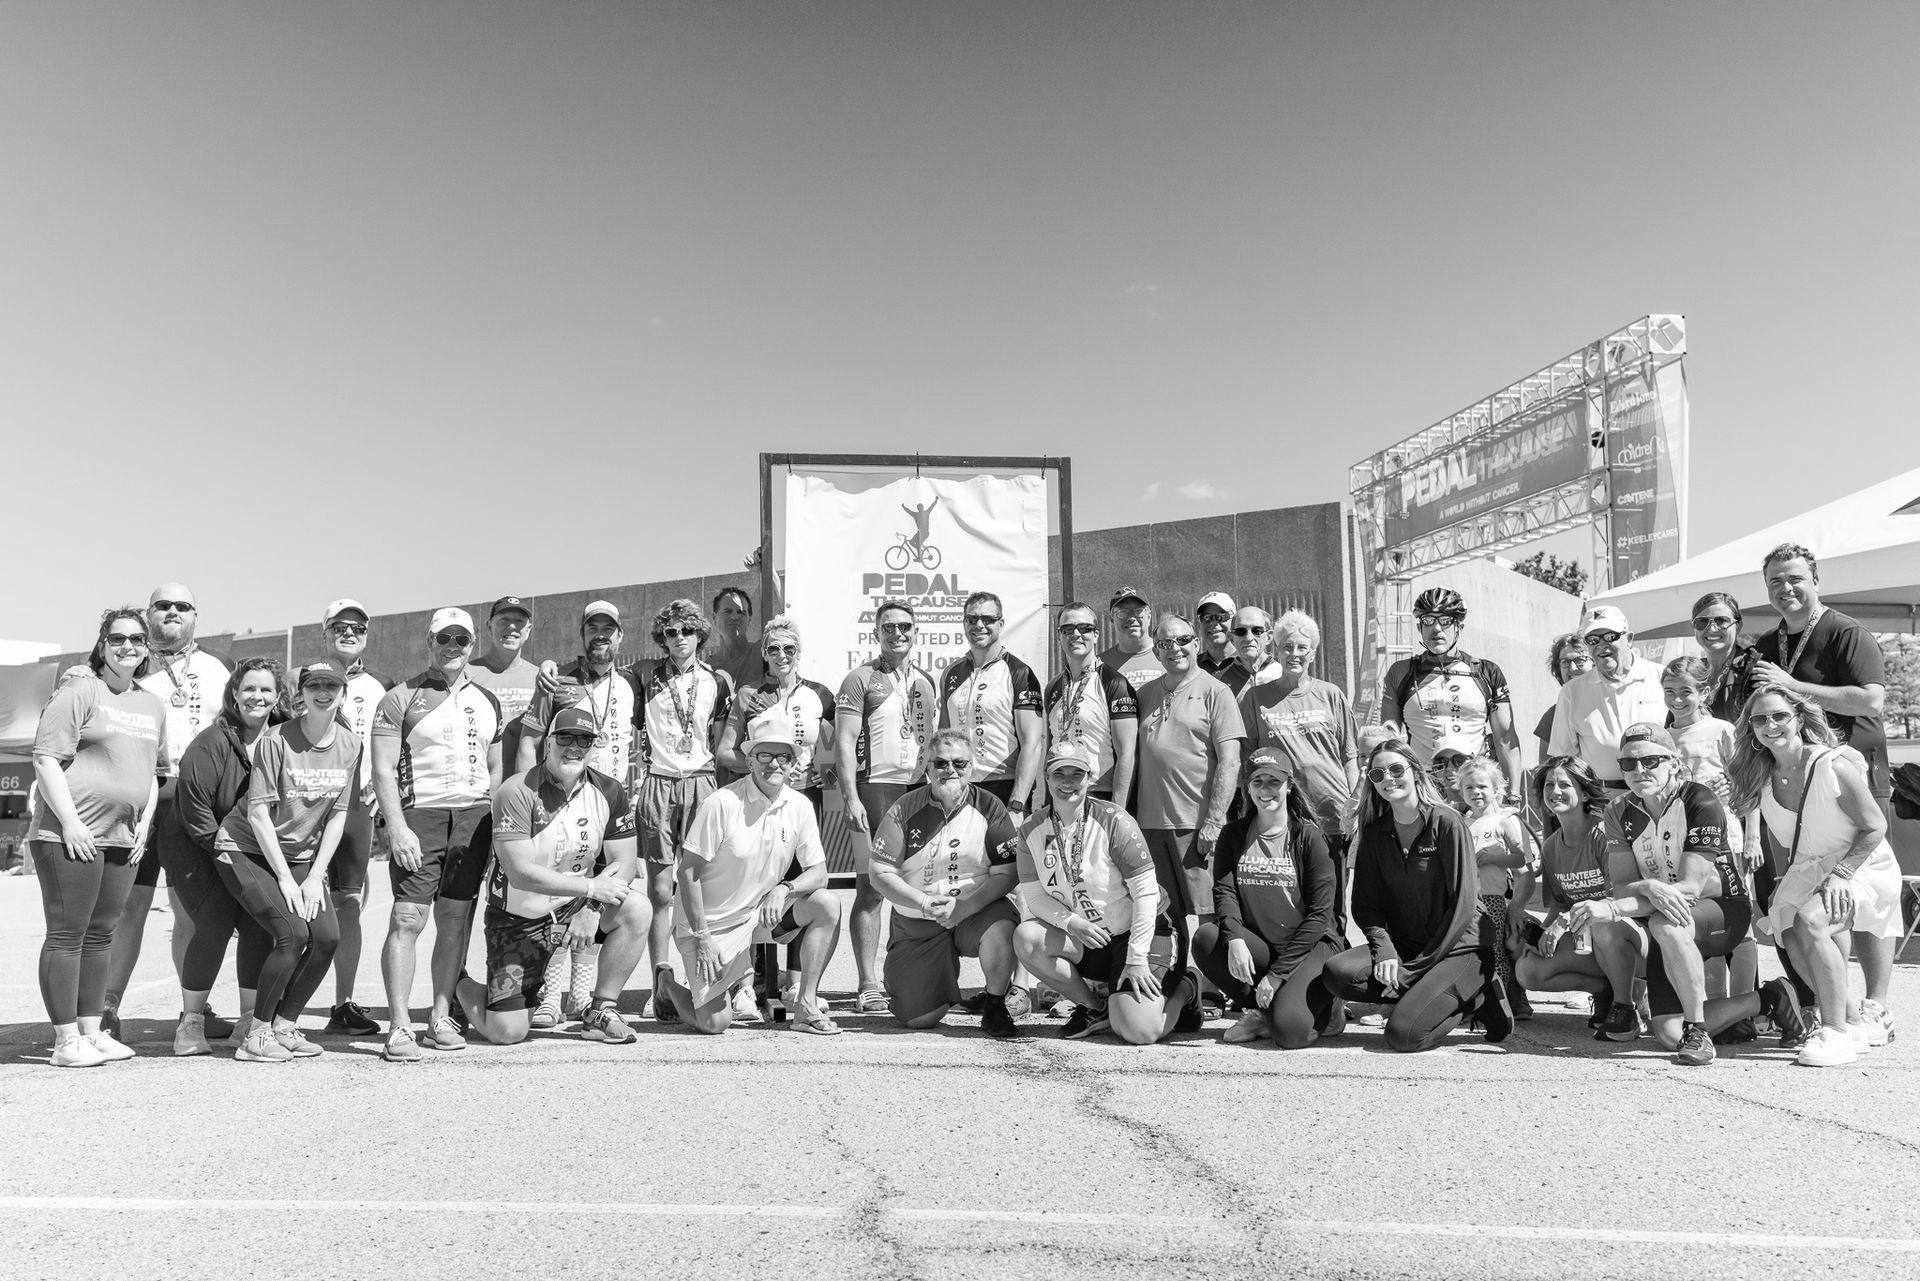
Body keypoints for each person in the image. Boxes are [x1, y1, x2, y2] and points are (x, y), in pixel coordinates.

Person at [1751, 542, 1896, 1047]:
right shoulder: (1767, 642)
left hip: (1852, 772)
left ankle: (1876, 1007)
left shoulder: (1845, 632)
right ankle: (1842, 1007)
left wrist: (1793, 685)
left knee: (1866, 891)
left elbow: (1871, 700)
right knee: (1811, 899)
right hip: (1794, 776)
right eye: (1775, 581)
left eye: (1794, 578)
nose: (1785, 588)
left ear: (1815, 579)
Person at [453, 706, 654, 1047]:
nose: (574, 747)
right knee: (508, 1032)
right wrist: (591, 888)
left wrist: (592, 907)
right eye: (565, 738)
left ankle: (601, 1010)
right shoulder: (517, 791)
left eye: (584, 740)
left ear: (594, 747)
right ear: (548, 742)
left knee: (637, 908)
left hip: (575, 907)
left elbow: (625, 862)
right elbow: (520, 873)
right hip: (520, 919)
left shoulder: (609, 790)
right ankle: (457, 982)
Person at [1730, 684, 1906, 1066]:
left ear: (1798, 719)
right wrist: (1784, 885)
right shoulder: (1761, 777)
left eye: (1779, 715)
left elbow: (1874, 827)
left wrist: (1841, 874)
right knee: (1789, 928)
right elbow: (1785, 839)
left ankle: (1834, 1032)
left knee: (1810, 920)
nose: (1770, 725)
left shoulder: (1832, 765)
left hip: (1860, 863)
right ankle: (1852, 1023)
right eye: (1760, 719)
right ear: (1751, 729)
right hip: (1810, 866)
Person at [1569, 724, 1755, 1065]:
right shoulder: (1617, 810)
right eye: (1628, 763)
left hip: (1722, 910)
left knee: (1664, 923)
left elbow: (1689, 889)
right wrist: (1647, 887)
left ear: (1674, 763)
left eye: (1650, 761)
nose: (1639, 770)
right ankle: (1770, 999)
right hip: (1662, 912)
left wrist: (1613, 907)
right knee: (1669, 1034)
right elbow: (1623, 885)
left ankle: (1698, 1030)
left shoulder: (1700, 800)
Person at [29, 609, 166, 1067]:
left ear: (147, 648)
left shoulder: (151, 704)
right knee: (67, 934)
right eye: (118, 638)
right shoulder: (81, 690)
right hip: (70, 835)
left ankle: (92, 1031)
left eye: (137, 639)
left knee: (101, 935)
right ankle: (66, 1041)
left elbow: (153, 772)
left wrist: (144, 823)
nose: (128, 646)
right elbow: (46, 759)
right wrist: (70, 822)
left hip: (123, 838)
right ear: (102, 645)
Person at [371, 608, 505, 1063]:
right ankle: (399, 1025)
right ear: (429, 642)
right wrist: (397, 827)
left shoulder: (488, 699)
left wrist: (496, 828)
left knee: (455, 918)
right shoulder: (400, 697)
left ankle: (440, 1017)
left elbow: (495, 768)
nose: (453, 646)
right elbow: (383, 770)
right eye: (444, 638)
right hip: (421, 815)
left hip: (473, 817)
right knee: (408, 918)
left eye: (461, 639)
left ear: (472, 645)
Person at [100, 584, 231, 1041]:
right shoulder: (128, 662)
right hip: (139, 796)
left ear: (195, 616)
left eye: (183, 606)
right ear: (149, 613)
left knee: (188, 910)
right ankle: (106, 1008)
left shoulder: (217, 668)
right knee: (128, 906)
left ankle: (194, 1010)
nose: (173, 611)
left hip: (193, 800)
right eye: (163, 605)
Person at [212, 660, 361, 1062]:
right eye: (314, 686)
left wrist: (314, 877)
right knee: (292, 935)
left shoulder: (350, 745)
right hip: (245, 848)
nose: (323, 692)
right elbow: (258, 814)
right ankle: (256, 1034)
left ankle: (285, 1025)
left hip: (300, 855)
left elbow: (338, 815)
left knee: (327, 937)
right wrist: (286, 879)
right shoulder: (276, 740)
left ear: (343, 693)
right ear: (301, 694)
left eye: (332, 685)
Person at [1322, 738, 1509, 1052]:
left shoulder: (1447, 823)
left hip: (1460, 947)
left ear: (1416, 772)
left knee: (1404, 1035)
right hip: (1409, 945)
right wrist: (1385, 951)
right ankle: (1439, 994)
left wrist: (1411, 972)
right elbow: (1366, 905)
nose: (1388, 779)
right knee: (1338, 974)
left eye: (1396, 769)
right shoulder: (1374, 832)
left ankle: (1476, 996)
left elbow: (1463, 907)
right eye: (1378, 774)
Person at [658, 720, 843, 1034]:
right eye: (765, 756)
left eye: (783, 757)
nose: (774, 764)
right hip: (709, 925)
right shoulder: (721, 803)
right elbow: (687, 873)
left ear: (793, 764)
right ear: (750, 761)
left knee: (826, 903)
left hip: (759, 916)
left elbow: (819, 874)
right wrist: (702, 937)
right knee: (715, 1023)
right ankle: (666, 984)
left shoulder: (800, 805)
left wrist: (785, 889)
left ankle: (806, 1007)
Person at [518, 601, 644, 1026]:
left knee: (602, 895)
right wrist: (527, 797)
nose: (601, 635)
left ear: (621, 636)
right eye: (593, 628)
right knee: (561, 894)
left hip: (612, 804)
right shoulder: (557, 679)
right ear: (582, 634)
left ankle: (583, 994)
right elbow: (530, 739)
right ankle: (551, 994)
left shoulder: (632, 682)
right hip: (562, 800)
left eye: (609, 628)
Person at [1012, 743, 1188, 1044]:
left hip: (1143, 932)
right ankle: (1094, 1007)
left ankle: (1185, 988)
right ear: (1047, 778)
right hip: (1090, 935)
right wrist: (1071, 922)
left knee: (1137, 1030)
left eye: (1076, 774)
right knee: (1027, 938)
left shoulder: (1115, 821)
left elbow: (1146, 895)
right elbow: (1036, 898)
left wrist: (1136, 957)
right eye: (1059, 774)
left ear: (1090, 778)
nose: (1067, 782)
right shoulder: (1031, 830)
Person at [866, 729, 1022, 1037]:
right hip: (918, 917)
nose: (950, 770)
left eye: (959, 763)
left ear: (971, 767)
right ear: (927, 767)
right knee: (918, 1019)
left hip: (975, 911)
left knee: (1002, 926)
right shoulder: (903, 808)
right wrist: (925, 903)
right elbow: (880, 873)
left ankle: (995, 1004)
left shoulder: (990, 807)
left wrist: (966, 907)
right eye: (940, 763)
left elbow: (1007, 873)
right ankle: (937, 979)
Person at [1193, 748, 1346, 1047]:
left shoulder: (1309, 837)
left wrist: (1276, 975)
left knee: (1289, 1034)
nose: (1266, 789)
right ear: (1248, 789)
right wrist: (1235, 938)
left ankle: (1328, 1005)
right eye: (1258, 781)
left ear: (1289, 786)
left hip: (1311, 946)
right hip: (1265, 944)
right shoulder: (1233, 835)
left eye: (1274, 781)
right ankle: (1262, 1011)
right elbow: (1225, 892)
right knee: (1207, 939)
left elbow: (1319, 917)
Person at [173, 659, 287, 1055]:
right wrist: (223, 851)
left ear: (278, 696)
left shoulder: (284, 737)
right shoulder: (211, 742)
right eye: (249, 688)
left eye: (266, 689)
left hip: (253, 846)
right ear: (234, 694)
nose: (257, 696)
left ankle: (248, 1022)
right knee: (215, 923)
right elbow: (195, 807)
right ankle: (190, 1024)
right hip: (200, 845)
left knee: (259, 924)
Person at [1134, 613, 1244, 1020]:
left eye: (1182, 640)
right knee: (1167, 911)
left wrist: (1214, 821)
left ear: (1196, 643)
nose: (1174, 649)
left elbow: (1230, 761)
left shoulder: (1216, 691)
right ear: (1156, 650)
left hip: (1195, 823)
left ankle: (1215, 989)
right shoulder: (1145, 693)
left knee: (1209, 911)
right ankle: (1178, 983)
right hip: (1150, 823)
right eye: (1165, 643)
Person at [631, 599, 736, 1022]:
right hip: (658, 781)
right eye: (670, 632)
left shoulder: (717, 680)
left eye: (686, 631)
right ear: (662, 637)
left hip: (701, 781)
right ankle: (659, 980)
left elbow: (720, 740)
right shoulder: (643, 674)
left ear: (700, 635)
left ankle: (707, 979)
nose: (678, 638)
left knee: (703, 887)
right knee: (660, 891)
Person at [836, 600, 938, 1013]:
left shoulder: (925, 680)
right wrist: (850, 797)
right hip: (875, 790)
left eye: (905, 627)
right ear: (876, 632)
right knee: (871, 889)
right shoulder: (860, 678)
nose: (898, 633)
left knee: (915, 887)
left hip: (918, 789)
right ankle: (867, 983)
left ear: (915, 632)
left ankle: (904, 976)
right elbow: (845, 742)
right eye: (889, 627)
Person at [1237, 609, 1359, 931]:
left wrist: (1355, 808)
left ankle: (1333, 957)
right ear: (1276, 651)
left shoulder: (1331, 695)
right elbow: (1247, 757)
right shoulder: (1256, 698)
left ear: (1313, 653)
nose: (1294, 654)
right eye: (1287, 647)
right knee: (1291, 903)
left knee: (1332, 906)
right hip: (1285, 818)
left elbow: (1350, 756)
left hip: (1333, 816)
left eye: (1302, 647)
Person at [314, 599, 393, 1037]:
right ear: (324, 632)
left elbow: (390, 748)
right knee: (295, 902)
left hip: (356, 809)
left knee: (348, 904)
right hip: (307, 805)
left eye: (358, 627)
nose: (349, 633)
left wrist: (382, 792)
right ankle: (278, 1003)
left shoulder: (379, 687)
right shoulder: (302, 679)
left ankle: (343, 1003)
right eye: (340, 626)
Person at [1510, 757, 1636, 1027]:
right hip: (1584, 939)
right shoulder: (1551, 847)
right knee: (1528, 970)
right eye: (1549, 785)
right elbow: (1559, 904)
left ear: (1585, 793)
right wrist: (1540, 937)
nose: (1555, 791)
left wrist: (1565, 920)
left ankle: (1627, 1003)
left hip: (1621, 935)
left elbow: (1621, 898)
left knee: (1603, 931)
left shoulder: (1604, 834)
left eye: (1565, 785)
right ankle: (1604, 991)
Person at [1379, 587, 1520, 790]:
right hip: (1424, 787)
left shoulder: (1487, 672)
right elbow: (1389, 739)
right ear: (1419, 627)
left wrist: (1513, 794)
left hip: (1475, 786)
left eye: (1445, 620)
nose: (1436, 628)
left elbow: (1505, 738)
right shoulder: (1400, 672)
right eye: (1428, 620)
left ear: (1458, 627)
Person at [939, 590, 1044, 812]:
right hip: (959, 786)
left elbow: (1032, 744)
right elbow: (944, 739)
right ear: (964, 623)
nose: (979, 625)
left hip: (1004, 786)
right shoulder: (951, 673)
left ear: (1001, 624)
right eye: (972, 619)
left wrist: (1017, 804)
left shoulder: (1019, 672)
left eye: (988, 619)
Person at [1548, 605, 1666, 791]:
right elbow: (1562, 757)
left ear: (1629, 639)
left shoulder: (1661, 677)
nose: (1601, 645)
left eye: (1611, 636)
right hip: (1605, 797)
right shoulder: (1572, 692)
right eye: (1593, 640)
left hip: (1661, 792)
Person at [1457, 757, 1536, 1020]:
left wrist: (1495, 858)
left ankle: (1501, 1004)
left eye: (1482, 786)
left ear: (1496, 789)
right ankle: (1474, 1002)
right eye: (1469, 787)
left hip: (1492, 899)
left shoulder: (1503, 821)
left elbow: (1521, 860)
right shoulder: (1462, 823)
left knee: (1495, 950)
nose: (1476, 792)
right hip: (1467, 899)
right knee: (1470, 952)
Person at [1043, 602, 1138, 809]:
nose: (1076, 634)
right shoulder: (1053, 687)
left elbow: (1127, 754)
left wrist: (1117, 810)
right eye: (1067, 629)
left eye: (1084, 628)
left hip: (1099, 795)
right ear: (1059, 636)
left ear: (1096, 635)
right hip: (1060, 794)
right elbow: (1050, 749)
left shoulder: (1114, 683)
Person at [468, 596, 543, 790]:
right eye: (504, 620)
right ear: (489, 626)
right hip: (477, 792)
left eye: (519, 621)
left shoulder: (540, 678)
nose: (511, 627)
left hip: (525, 791)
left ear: (528, 630)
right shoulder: (466, 675)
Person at [1689, 591, 1761, 725]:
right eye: (1702, 621)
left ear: (1738, 626)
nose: (1712, 628)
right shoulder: (1691, 673)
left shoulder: (1754, 670)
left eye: (1721, 620)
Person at [1531, 634, 1592, 763]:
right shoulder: (1552, 716)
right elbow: (1546, 768)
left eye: (1580, 660)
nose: (1572, 668)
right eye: (1565, 662)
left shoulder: (1612, 702)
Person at [706, 587, 766, 696]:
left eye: (741, 612)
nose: (734, 617)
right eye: (727, 611)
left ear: (749, 620)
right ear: (714, 618)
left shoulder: (762, 652)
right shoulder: (706, 669)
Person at [1099, 588, 1161, 690]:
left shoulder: (1168, 654)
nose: (1131, 618)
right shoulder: (1101, 665)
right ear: (1111, 619)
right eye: (1122, 613)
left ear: (1149, 617)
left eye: (1138, 611)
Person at [1215, 606, 1279, 697]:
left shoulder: (1284, 675)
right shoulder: (1219, 681)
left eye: (1257, 631)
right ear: (1232, 638)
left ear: (1269, 637)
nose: (1249, 638)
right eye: (1241, 631)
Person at [1195, 591, 1237, 676]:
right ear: (1199, 625)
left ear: (1235, 621)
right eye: (1206, 617)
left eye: (1221, 617)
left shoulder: (1248, 662)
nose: (1213, 623)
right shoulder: (1191, 667)